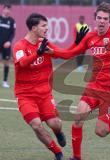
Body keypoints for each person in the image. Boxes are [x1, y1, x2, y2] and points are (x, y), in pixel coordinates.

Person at [47, 2, 110, 160]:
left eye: (105, 19)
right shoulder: (90, 36)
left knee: (101, 132)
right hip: (93, 84)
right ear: (95, 18)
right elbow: (72, 53)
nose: (102, 21)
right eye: (99, 18)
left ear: (109, 21)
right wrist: (53, 51)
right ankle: (76, 157)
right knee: (78, 119)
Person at [12, 13, 66, 160]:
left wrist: (80, 44)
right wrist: (38, 53)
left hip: (45, 94)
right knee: (36, 124)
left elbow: (63, 53)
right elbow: (23, 63)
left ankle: (58, 132)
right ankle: (57, 152)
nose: (47, 28)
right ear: (34, 28)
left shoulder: (45, 43)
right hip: (25, 95)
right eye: (44, 25)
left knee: (55, 124)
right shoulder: (19, 46)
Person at [0, 3, 15, 88]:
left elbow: (12, 33)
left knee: (6, 62)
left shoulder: (12, 21)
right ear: (3, 9)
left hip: (6, 45)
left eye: (9, 9)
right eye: (6, 9)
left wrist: (9, 41)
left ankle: (5, 81)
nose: (7, 11)